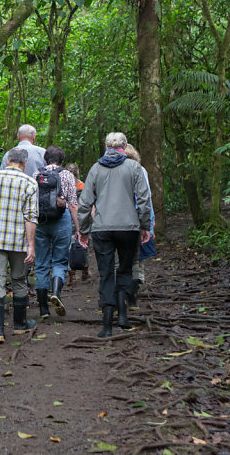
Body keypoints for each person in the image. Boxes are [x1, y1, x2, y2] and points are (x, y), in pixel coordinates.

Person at [77, 132, 151, 338]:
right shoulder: (134, 167)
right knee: (126, 271)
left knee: (106, 273)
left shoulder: (95, 168)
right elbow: (143, 200)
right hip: (129, 227)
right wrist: (145, 226)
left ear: (107, 147)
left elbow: (84, 203)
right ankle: (123, 317)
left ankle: (107, 324)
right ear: (125, 146)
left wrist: (83, 230)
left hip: (102, 228)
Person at [0, 147, 38, 343]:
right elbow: (31, 217)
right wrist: (31, 245)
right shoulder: (29, 182)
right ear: (25, 164)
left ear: (8, 160)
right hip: (18, 240)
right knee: (19, 279)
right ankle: (19, 325)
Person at [34, 146, 82, 320]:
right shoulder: (68, 175)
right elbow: (73, 204)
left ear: (46, 159)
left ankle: (43, 310)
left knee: (41, 263)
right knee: (60, 261)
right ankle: (56, 293)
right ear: (62, 160)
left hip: (41, 222)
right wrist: (77, 228)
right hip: (62, 220)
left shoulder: (36, 174)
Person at [124, 144, 156, 311]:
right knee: (137, 260)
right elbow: (146, 198)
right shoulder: (141, 170)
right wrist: (149, 224)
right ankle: (132, 297)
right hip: (137, 219)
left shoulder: (115, 170)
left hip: (120, 220)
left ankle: (123, 294)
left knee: (122, 258)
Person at [65, 163, 91, 282]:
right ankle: (85, 269)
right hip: (83, 218)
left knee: (69, 246)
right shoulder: (84, 186)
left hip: (68, 218)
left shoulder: (64, 187)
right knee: (84, 243)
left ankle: (72, 275)